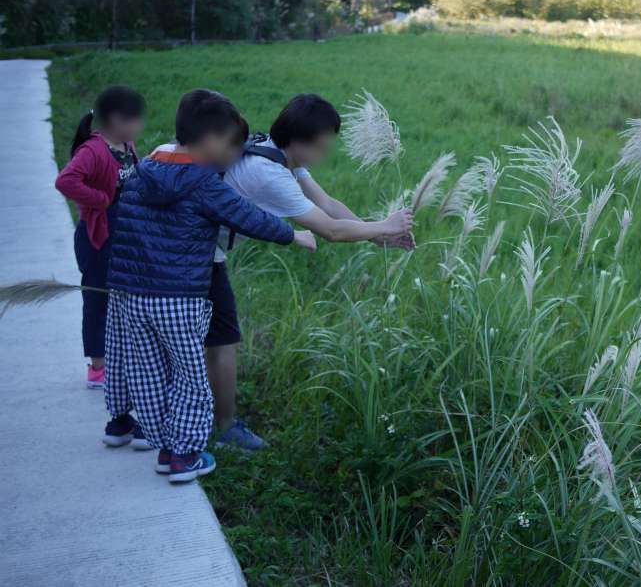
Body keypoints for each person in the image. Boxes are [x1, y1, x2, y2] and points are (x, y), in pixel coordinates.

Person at [101, 89, 317, 483]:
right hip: (179, 297)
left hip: (129, 296)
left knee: (150, 376)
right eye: (233, 144)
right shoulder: (203, 182)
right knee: (190, 379)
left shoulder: (144, 167)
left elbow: (124, 228)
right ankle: (184, 456)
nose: (235, 154)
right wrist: (293, 236)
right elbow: (246, 216)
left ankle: (164, 444)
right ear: (214, 139)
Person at [181, 93, 414, 450]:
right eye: (322, 147)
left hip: (198, 251)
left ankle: (204, 418)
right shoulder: (270, 174)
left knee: (209, 339)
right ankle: (221, 429)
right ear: (302, 142)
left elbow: (329, 205)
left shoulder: (274, 151)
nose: (325, 155)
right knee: (221, 342)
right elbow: (330, 231)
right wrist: (383, 225)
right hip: (193, 256)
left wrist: (378, 236)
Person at [55, 86, 145, 390]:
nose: (139, 125)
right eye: (135, 119)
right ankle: (97, 367)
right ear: (116, 120)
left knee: (122, 298)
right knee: (97, 299)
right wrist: (100, 199)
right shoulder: (93, 150)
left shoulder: (127, 145)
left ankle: (118, 358)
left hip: (124, 234)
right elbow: (65, 180)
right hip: (98, 237)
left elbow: (138, 177)